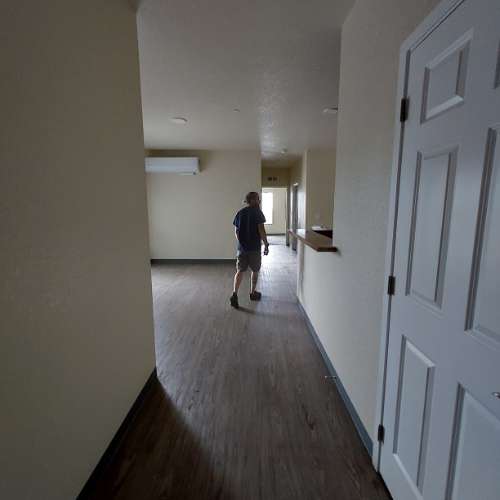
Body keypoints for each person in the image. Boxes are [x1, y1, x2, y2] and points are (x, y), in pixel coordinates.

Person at [230, 192, 269, 309]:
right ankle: (252, 293)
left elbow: (236, 231)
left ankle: (234, 294)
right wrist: (266, 244)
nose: (259, 201)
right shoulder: (258, 213)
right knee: (255, 270)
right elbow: (261, 230)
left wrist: (242, 243)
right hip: (254, 248)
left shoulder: (240, 213)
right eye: (257, 199)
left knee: (240, 271)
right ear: (252, 200)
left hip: (242, 249)